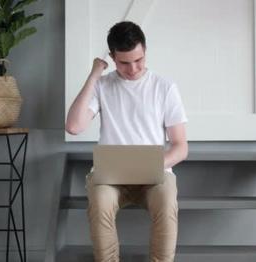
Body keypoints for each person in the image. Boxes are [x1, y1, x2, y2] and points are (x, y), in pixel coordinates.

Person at [65, 21, 188, 262]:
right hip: (111, 178)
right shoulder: (102, 85)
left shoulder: (164, 87)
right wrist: (93, 76)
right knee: (100, 203)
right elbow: (74, 126)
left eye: (138, 60)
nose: (133, 69)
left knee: (166, 202)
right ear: (112, 57)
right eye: (124, 63)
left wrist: (152, 165)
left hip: (155, 175)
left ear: (145, 51)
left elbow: (181, 145)